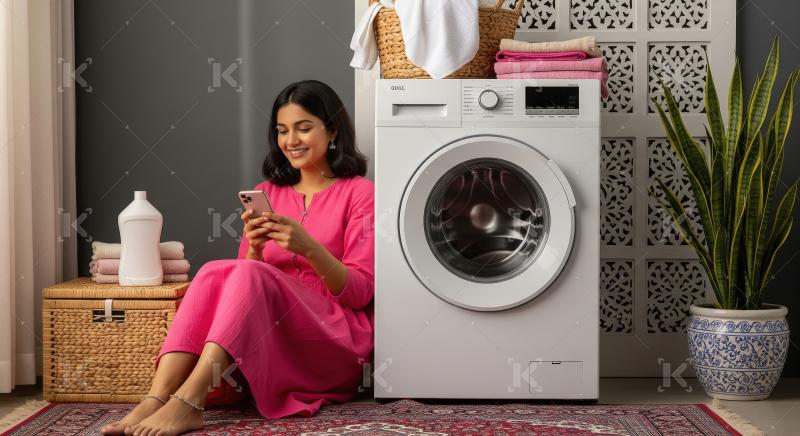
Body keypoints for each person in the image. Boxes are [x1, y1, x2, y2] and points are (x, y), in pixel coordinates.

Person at [101, 80, 374, 436]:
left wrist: (309, 248)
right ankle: (157, 396)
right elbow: (240, 289)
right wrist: (256, 250)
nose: (291, 140)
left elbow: (360, 293)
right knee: (217, 271)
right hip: (276, 335)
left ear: (333, 130)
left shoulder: (359, 194)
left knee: (247, 274)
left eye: (304, 128)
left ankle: (189, 401)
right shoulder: (266, 192)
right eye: (282, 131)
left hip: (334, 339)